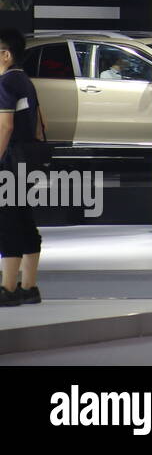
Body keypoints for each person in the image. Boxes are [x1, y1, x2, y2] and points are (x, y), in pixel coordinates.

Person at [0, 29, 43, 306]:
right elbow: (39, 122)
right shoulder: (25, 81)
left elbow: (5, 126)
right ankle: (29, 286)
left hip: (10, 160)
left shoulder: (4, 83)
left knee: (7, 223)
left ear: (5, 55)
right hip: (28, 159)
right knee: (25, 221)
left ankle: (8, 289)